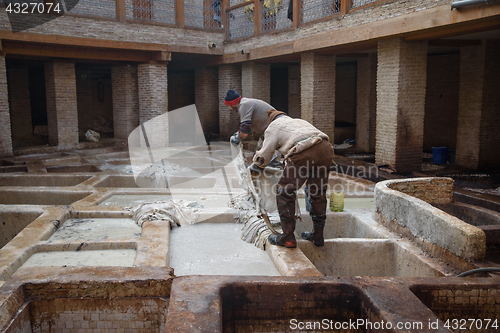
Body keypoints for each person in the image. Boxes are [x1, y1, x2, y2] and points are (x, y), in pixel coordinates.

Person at [249, 110, 335, 248]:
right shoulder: (299, 121)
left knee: (284, 191)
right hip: (326, 149)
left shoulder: (274, 126)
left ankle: (288, 237)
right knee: (317, 192)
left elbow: (264, 156)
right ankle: (317, 235)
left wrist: (256, 164)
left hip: (304, 151)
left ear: (271, 120)